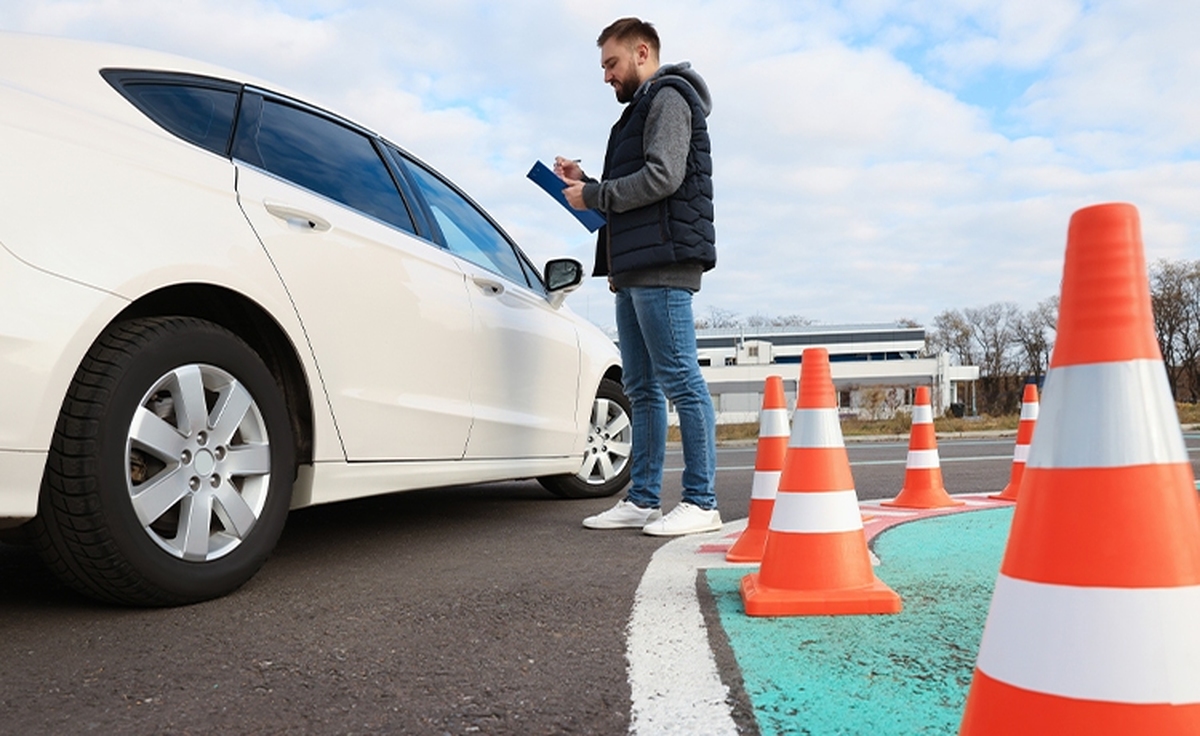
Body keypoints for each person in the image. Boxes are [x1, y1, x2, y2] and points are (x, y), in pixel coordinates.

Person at [556, 17, 719, 536]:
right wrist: (589, 185)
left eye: (612, 63)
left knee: (681, 383)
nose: (606, 76)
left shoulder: (669, 98)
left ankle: (701, 501)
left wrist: (596, 196)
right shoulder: (634, 115)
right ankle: (643, 499)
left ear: (642, 52)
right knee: (644, 389)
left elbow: (663, 177)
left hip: (664, 264)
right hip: (634, 268)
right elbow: (635, 187)